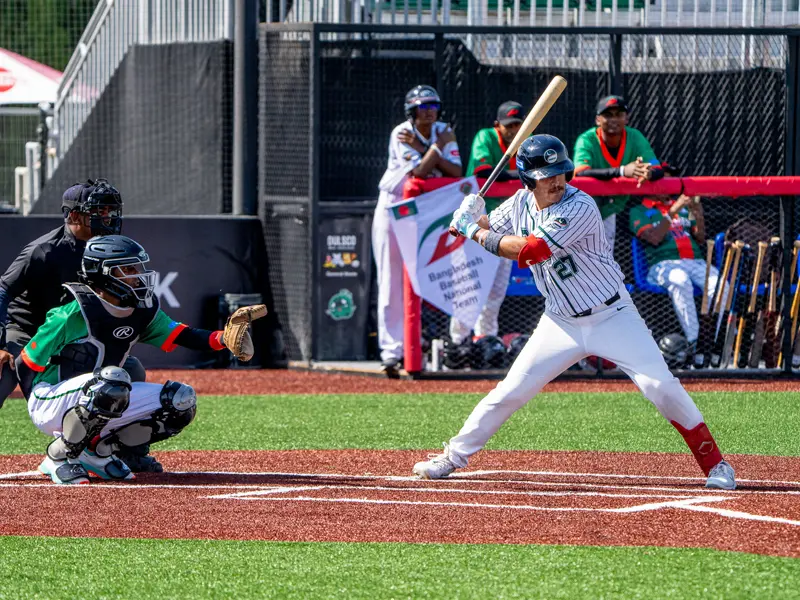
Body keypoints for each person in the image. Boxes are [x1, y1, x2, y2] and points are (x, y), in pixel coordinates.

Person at [411, 134, 735, 491]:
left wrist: (473, 229)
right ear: (527, 179)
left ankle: (716, 465)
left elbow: (529, 251)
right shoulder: (518, 204)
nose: (557, 181)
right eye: (547, 175)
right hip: (560, 321)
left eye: (561, 172)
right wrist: (469, 218)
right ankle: (453, 456)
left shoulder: (579, 206)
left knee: (661, 387)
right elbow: (486, 231)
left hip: (612, 315)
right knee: (510, 391)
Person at [15, 235, 251, 485]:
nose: (138, 275)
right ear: (102, 273)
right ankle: (59, 455)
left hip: (98, 393)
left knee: (180, 401)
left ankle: (97, 451)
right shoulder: (70, 314)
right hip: (50, 398)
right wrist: (39, 407)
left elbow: (183, 335)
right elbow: (26, 363)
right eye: (128, 269)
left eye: (138, 268)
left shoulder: (141, 308)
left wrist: (224, 339)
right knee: (111, 381)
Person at [0, 179, 157, 471]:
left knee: (131, 370)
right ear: (73, 216)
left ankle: (128, 449)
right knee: (2, 372)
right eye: (99, 211)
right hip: (29, 331)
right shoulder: (44, 250)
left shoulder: (112, 249)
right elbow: (2, 289)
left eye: (111, 210)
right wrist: (0, 344)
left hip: (75, 335)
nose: (108, 217)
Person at [373, 85, 462, 375]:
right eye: (422, 106)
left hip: (426, 208)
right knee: (391, 281)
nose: (429, 111)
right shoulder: (402, 131)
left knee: (424, 277)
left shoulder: (443, 128)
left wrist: (427, 150)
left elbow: (456, 171)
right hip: (394, 207)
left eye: (433, 105)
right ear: (411, 110)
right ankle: (392, 352)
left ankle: (422, 345)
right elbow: (420, 172)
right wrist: (437, 149)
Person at [447, 102, 523, 356]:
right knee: (469, 287)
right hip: (475, 220)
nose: (514, 129)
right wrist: (520, 175)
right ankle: (458, 343)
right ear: (497, 125)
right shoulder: (486, 137)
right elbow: (485, 172)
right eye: (509, 125)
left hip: (505, 222)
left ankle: (486, 339)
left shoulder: (527, 141)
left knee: (497, 288)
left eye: (518, 124)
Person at [630, 193, 718, 360]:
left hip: (695, 262)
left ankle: (713, 345)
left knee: (719, 286)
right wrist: (672, 211)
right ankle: (694, 343)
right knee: (680, 280)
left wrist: (698, 214)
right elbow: (654, 238)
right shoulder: (640, 210)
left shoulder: (683, 208)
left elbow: (700, 237)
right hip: (663, 263)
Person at [573, 95, 663, 251]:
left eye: (619, 114)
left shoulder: (634, 136)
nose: (614, 119)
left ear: (626, 118)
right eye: (608, 115)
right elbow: (580, 173)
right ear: (598, 120)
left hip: (610, 209)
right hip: (581, 209)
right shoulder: (587, 139)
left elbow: (657, 169)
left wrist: (647, 173)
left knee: (605, 257)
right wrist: (623, 171)